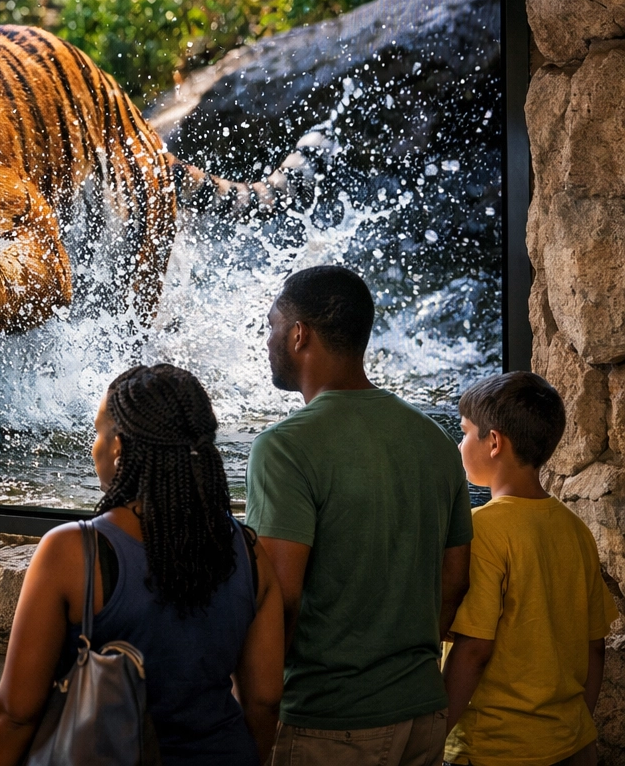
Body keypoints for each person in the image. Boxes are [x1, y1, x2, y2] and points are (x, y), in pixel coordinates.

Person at [0, 363, 285, 765]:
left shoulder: (72, 552)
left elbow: (15, 714)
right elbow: (265, 700)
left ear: (118, 447)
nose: (94, 447)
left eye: (97, 432)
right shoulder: (248, 552)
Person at [247, 265, 471, 764]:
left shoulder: (284, 448)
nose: (267, 340)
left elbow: (281, 597)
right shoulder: (435, 441)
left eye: (271, 325)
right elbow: (456, 579)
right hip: (422, 711)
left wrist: (259, 710)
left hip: (328, 721)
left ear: (299, 334)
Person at [443, 372, 617, 766]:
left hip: (496, 748)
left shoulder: (482, 529)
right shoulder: (575, 529)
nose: (459, 445)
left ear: (494, 442)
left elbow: (474, 650)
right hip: (572, 742)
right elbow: (594, 646)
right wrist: (576, 726)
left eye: (465, 433)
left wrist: (434, 737)